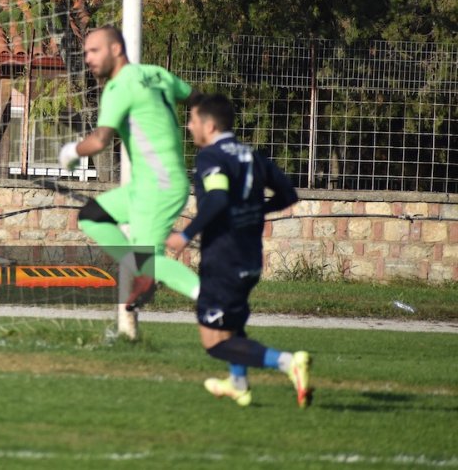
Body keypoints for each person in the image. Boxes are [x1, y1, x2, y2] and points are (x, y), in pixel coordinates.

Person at [165, 93, 311, 407]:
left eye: (192, 120)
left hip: (224, 260)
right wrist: (255, 210)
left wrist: (186, 234)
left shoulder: (211, 156)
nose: (189, 127)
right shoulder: (252, 156)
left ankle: (288, 363)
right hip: (249, 259)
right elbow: (288, 194)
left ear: (209, 124)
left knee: (214, 343)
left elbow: (217, 199)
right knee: (232, 326)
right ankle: (238, 384)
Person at [59, 25, 201, 338]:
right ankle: (142, 268)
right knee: (92, 216)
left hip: (158, 186)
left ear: (116, 50)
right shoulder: (155, 74)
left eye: (94, 51)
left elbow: (100, 141)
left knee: (150, 264)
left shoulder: (118, 87)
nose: (88, 59)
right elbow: (195, 97)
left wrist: (71, 151)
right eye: (85, 53)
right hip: (146, 185)